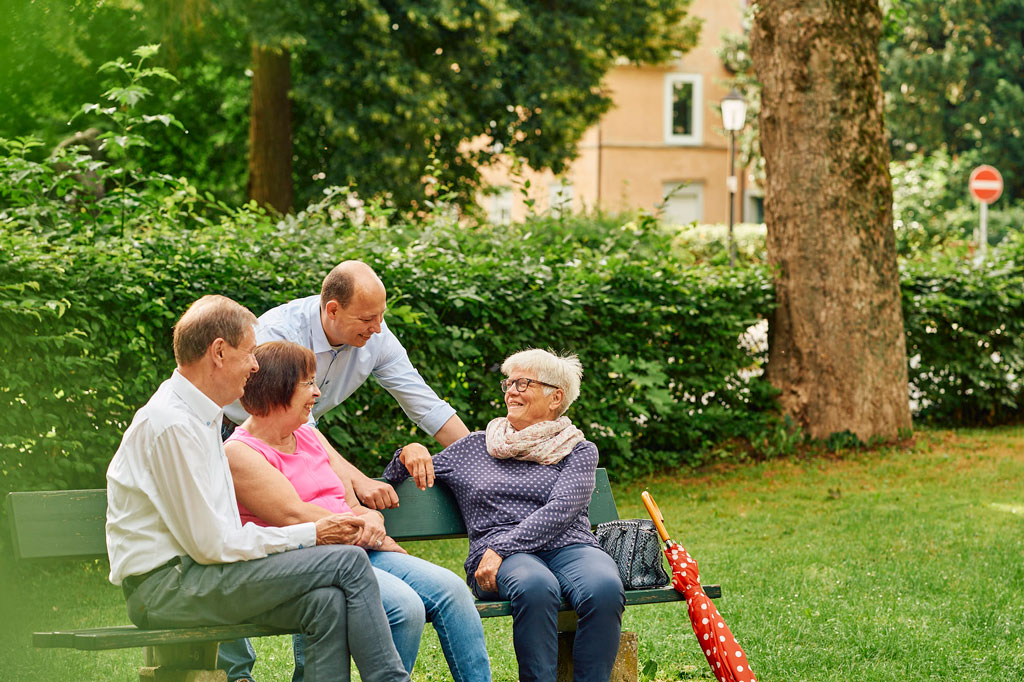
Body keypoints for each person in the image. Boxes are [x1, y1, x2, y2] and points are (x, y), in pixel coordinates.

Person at [104, 295, 408, 682]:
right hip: (168, 588)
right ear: (218, 352)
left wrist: (307, 535)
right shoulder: (172, 424)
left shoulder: (202, 416)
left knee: (327, 602)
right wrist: (311, 533)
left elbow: (219, 537)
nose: (255, 364)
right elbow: (211, 545)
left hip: (198, 576)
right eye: (249, 352)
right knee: (346, 561)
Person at [219, 260, 472, 681]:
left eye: (382, 317)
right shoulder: (279, 333)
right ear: (332, 310)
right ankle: (238, 671)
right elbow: (298, 429)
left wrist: (478, 460)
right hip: (234, 430)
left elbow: (423, 402)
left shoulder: (376, 335)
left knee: (320, 522)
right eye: (368, 318)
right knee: (232, 536)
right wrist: (357, 490)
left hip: (300, 431)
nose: (377, 328)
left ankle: (311, 673)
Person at [384, 349, 625, 682]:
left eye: (523, 383)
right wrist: (407, 453)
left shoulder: (577, 449)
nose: (511, 391)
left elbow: (563, 507)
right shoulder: (473, 448)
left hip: (567, 547)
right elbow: (396, 477)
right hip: (507, 562)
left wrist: (501, 548)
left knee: (604, 588)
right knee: (536, 586)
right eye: (509, 383)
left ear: (555, 397)